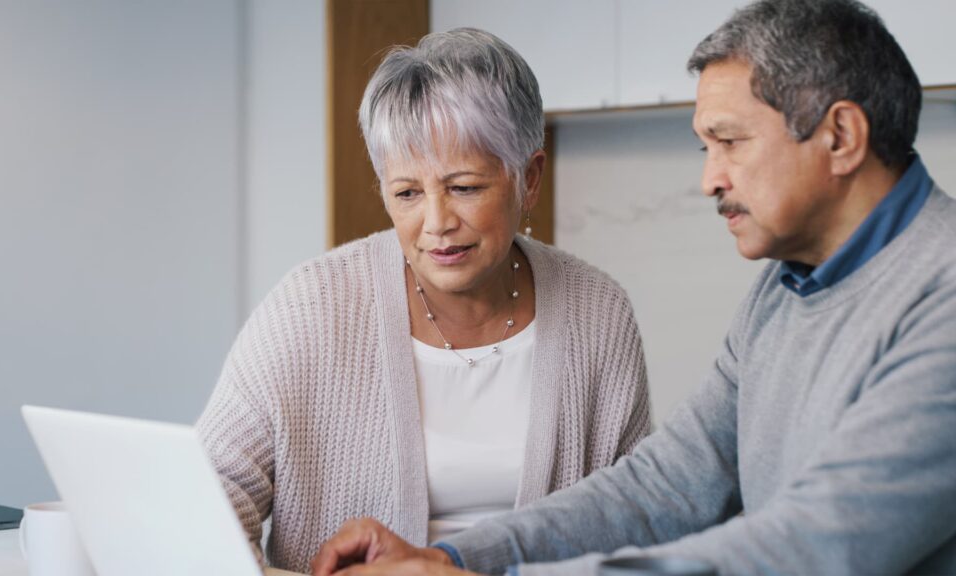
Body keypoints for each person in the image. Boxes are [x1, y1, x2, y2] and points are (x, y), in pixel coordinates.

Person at [310, 1, 956, 574]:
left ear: (840, 136)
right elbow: (666, 487)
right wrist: (453, 558)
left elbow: (814, 548)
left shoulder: (943, 295)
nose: (710, 180)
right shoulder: (783, 288)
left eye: (729, 142)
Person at [195, 28, 651, 573]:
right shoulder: (311, 306)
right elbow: (204, 499)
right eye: (407, 193)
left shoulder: (598, 312)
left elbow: (639, 518)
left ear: (528, 179)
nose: (436, 224)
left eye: (464, 187)